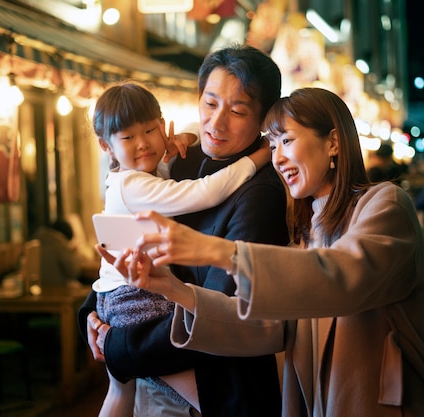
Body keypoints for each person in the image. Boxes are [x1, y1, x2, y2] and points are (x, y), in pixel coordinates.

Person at [104, 87, 424, 416]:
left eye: (287, 140)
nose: (278, 157)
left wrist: (215, 251)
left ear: (333, 141)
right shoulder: (306, 235)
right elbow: (264, 326)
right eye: (271, 146)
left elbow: (342, 275)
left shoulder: (386, 205)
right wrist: (170, 288)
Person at [79, 45, 289, 417]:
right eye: (210, 104)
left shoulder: (259, 195)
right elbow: (122, 241)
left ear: (262, 120)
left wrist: (120, 346)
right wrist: (93, 316)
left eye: (238, 110)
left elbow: (220, 312)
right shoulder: (179, 159)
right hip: (147, 362)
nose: (216, 123)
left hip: (213, 385)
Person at [32, 218, 82, 287]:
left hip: (36, 289)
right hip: (58, 290)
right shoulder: (60, 245)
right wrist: (72, 254)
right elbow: (74, 272)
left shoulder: (33, 241)